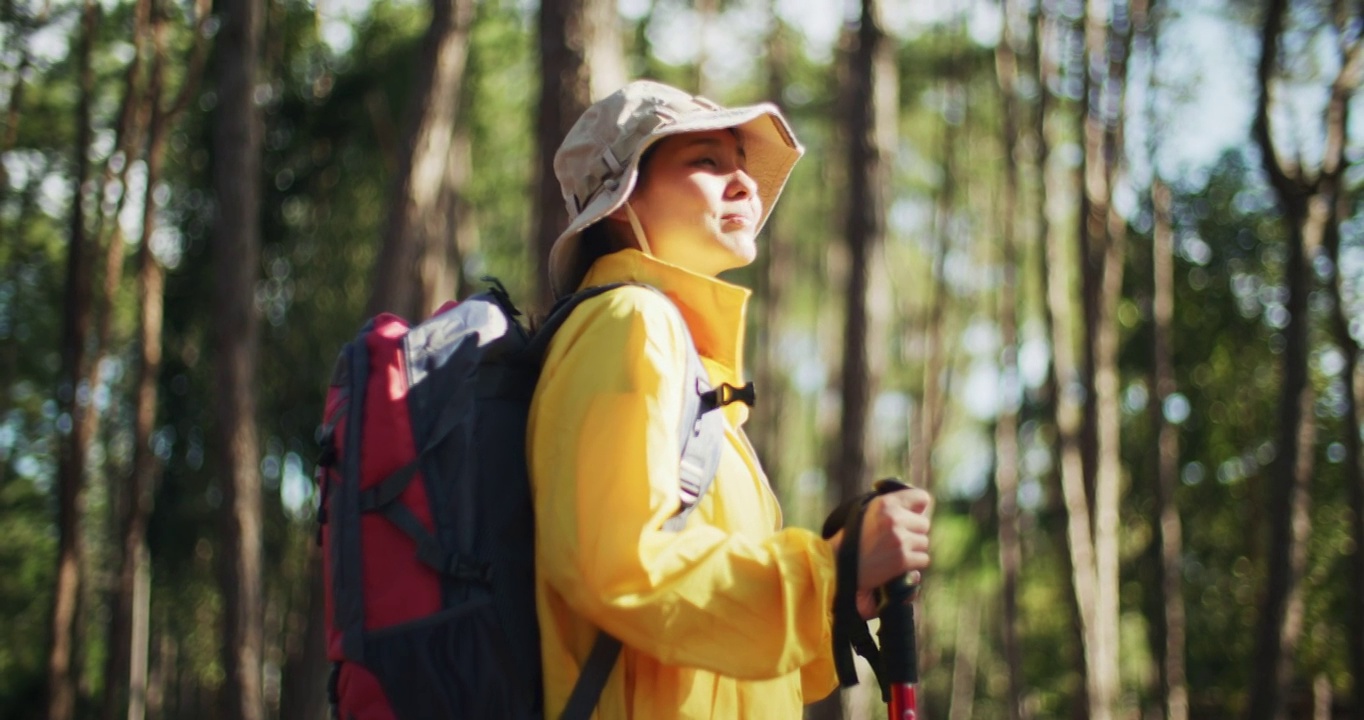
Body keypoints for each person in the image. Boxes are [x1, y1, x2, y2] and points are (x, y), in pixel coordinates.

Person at [527, 80, 934, 719]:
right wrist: (823, 574)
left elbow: (733, 666)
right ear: (616, 204)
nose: (744, 183)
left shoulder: (692, 373)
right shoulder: (630, 322)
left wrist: (844, 593)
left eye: (741, 165)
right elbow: (620, 569)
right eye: (706, 162)